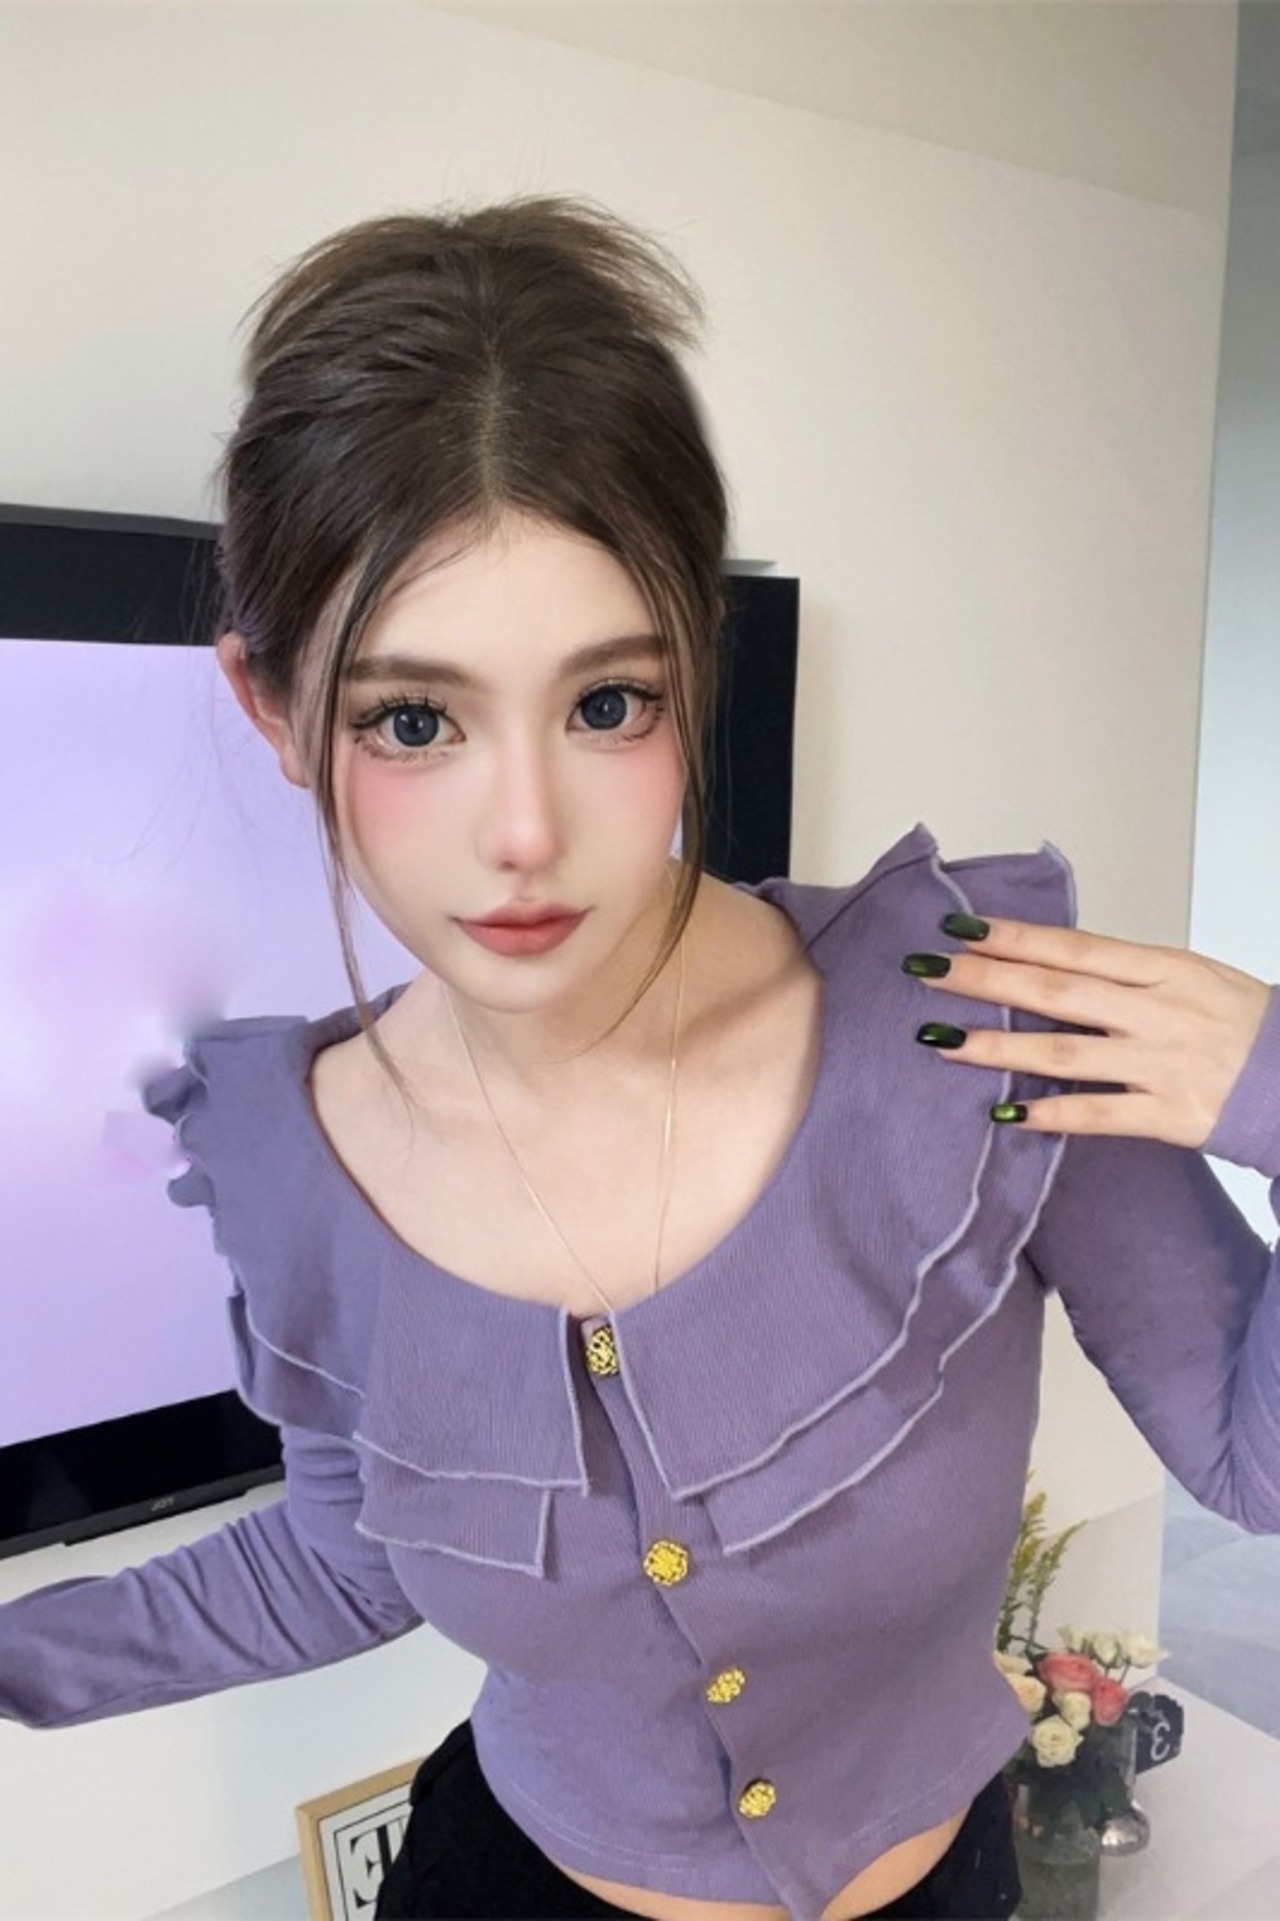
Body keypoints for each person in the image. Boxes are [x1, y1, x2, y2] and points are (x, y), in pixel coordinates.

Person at [1, 196, 1278, 1921]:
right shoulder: (299, 1161)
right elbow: (343, 1556)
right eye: (413, 719)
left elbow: (1251, 1461)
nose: (524, 831)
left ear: (693, 665)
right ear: (275, 711)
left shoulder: (970, 1026)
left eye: (607, 702)